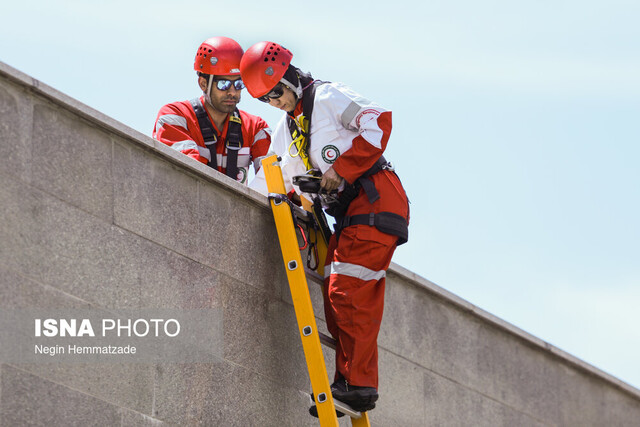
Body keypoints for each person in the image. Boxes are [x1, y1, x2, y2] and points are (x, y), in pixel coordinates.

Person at [240, 41, 409, 415]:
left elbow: (378, 121)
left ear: (291, 77)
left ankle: (359, 386)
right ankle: (350, 381)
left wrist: (340, 169)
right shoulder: (291, 128)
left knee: (347, 291)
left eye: (277, 92)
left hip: (376, 199)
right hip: (349, 214)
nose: (275, 102)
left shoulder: (329, 97)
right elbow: (278, 171)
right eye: (266, 100)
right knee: (336, 294)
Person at [153, 37, 271, 184]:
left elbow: (274, 179)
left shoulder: (255, 128)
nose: (233, 92)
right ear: (203, 84)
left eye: (239, 84)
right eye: (223, 84)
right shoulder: (174, 117)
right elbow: (188, 173)